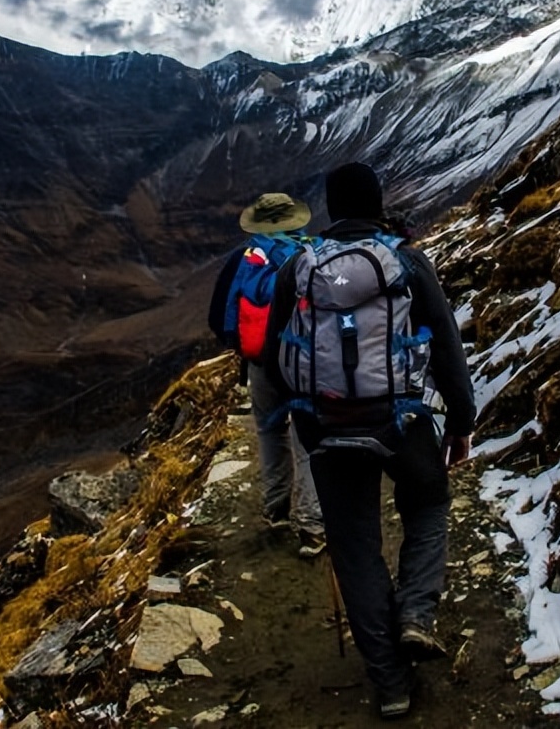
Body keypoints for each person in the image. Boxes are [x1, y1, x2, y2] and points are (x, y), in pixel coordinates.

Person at [264, 164, 476, 718]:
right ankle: (415, 616)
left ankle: (391, 686)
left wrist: (303, 420)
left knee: (355, 547)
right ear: (378, 203)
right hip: (401, 421)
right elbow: (447, 343)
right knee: (428, 506)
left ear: (333, 209)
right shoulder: (406, 261)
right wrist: (460, 420)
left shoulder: (298, 267)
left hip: (328, 429)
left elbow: (272, 354)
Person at [213, 192, 326, 558]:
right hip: (304, 361)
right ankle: (312, 525)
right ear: (296, 220)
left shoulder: (245, 259)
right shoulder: (314, 254)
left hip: (261, 362)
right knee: (307, 437)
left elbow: (218, 316)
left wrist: (243, 347)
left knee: (269, 429)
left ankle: (275, 508)